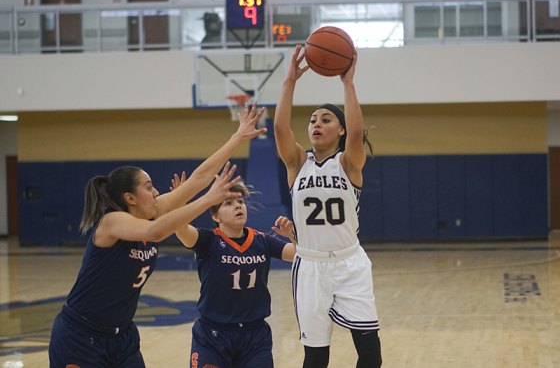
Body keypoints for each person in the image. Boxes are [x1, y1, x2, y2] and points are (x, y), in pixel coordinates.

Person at [48, 103, 267, 368]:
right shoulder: (111, 222)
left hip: (122, 336)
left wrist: (237, 137)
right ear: (130, 198)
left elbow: (199, 178)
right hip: (80, 336)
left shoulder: (150, 212)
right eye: (149, 187)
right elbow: (155, 232)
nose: (155, 193)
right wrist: (209, 198)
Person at [273, 45, 381, 368]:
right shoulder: (297, 163)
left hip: (350, 264)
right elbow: (280, 129)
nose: (316, 125)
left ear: (341, 129)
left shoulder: (349, 163)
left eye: (326, 119)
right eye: (312, 120)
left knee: (371, 354)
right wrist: (289, 81)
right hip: (310, 266)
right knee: (316, 358)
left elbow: (359, 133)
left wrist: (348, 83)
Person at [173, 178, 296, 368]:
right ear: (216, 217)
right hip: (213, 335)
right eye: (229, 203)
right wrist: (180, 201)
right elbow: (181, 229)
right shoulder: (208, 241)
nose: (238, 206)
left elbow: (299, 255)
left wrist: (292, 236)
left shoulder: (262, 241)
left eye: (240, 201)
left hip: (254, 336)